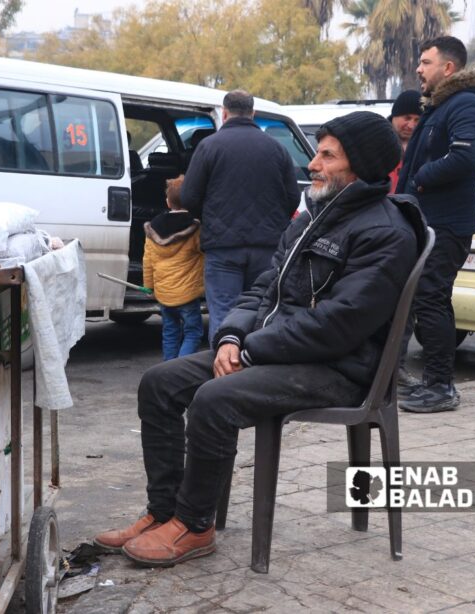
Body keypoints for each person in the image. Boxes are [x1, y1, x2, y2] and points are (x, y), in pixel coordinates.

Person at [94, 112, 424, 567]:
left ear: (361, 166)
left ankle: (194, 524)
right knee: (159, 382)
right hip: (278, 352)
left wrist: (251, 351)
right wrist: (231, 336)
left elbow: (338, 325)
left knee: (213, 398)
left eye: (327, 155)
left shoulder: (385, 232)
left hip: (340, 369)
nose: (313, 164)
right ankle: (164, 511)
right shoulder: (316, 217)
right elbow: (264, 289)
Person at [396, 36, 475, 413]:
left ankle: (440, 387)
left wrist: (420, 177)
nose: (419, 69)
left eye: (425, 62)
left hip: (446, 224)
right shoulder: (443, 105)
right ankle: (414, 380)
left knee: (431, 300)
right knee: (420, 299)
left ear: (448, 68)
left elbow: (465, 159)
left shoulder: (467, 104)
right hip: (426, 221)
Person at [181, 89, 300, 342]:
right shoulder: (277, 149)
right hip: (267, 247)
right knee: (260, 311)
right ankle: (253, 373)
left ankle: (222, 372)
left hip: (223, 248)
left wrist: (211, 219)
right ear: (253, 114)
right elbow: (293, 197)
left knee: (224, 313)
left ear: (224, 114)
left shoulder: (208, 146)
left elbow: (189, 197)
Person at [143, 176, 205, 360]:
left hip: (164, 294)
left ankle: (168, 370)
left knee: (170, 333)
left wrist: (149, 287)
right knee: (193, 332)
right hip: (187, 294)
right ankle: (181, 368)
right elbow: (204, 252)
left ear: (168, 202)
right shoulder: (194, 228)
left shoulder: (153, 229)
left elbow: (148, 261)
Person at [387, 90, 423, 193]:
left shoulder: (426, 143)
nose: (411, 125)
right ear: (394, 115)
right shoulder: (376, 140)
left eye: (417, 120)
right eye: (407, 118)